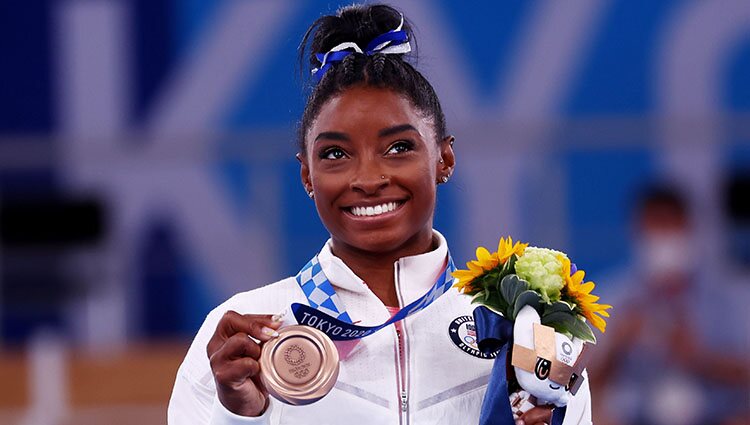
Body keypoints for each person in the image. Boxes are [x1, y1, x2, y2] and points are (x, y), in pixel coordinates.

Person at [168, 4, 592, 424]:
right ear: (307, 175)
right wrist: (241, 416)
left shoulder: (523, 330)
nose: (368, 178)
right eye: (335, 154)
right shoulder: (243, 338)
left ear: (444, 158)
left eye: (398, 147)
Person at [590, 185, 749, 425]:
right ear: (637, 232)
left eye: (670, 225)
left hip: (716, 415)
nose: (662, 235)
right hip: (636, 417)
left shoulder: (731, 292)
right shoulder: (613, 296)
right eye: (654, 226)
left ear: (689, 228)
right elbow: (580, 384)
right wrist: (617, 346)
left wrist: (700, 357)